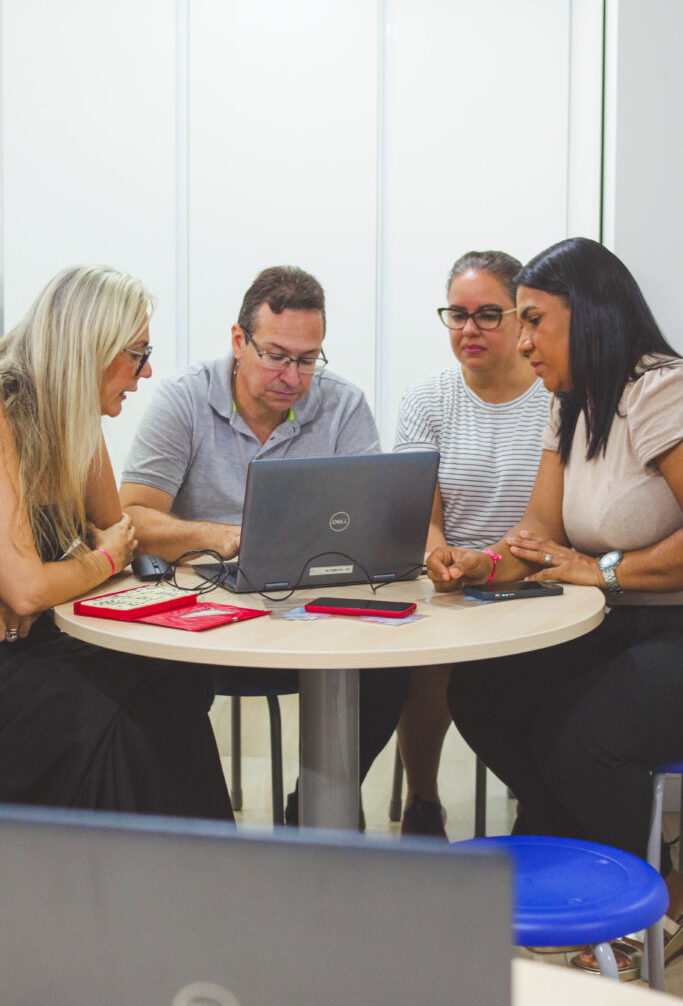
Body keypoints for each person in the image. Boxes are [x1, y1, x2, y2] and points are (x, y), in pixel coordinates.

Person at [428, 237, 683, 976]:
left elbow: (589, 563)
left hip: (673, 622)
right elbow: (539, 534)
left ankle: (656, 900)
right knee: (482, 692)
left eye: (534, 321)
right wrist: (481, 563)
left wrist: (604, 570)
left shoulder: (659, 390)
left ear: (591, 314)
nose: (523, 342)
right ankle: (574, 851)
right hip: (618, 620)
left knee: (581, 738)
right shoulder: (569, 401)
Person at [120, 265, 410, 821]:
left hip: (314, 613)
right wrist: (222, 537)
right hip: (210, 621)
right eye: (277, 356)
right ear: (239, 341)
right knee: (159, 681)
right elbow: (132, 516)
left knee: (389, 672)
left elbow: (373, 522)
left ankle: (312, 812)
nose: (293, 376)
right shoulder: (185, 399)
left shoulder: (343, 405)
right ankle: (207, 834)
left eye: (307, 360)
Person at [0, 265, 232, 820]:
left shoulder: (71, 416)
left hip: (39, 639)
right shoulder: (5, 412)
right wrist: (100, 558)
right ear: (89, 348)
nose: (146, 370)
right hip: (13, 660)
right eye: (136, 353)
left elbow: (119, 531)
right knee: (129, 716)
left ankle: (191, 866)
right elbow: (31, 588)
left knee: (174, 680)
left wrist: (95, 559)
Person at [393, 251, 549, 836]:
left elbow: (550, 520)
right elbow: (420, 513)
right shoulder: (427, 398)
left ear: (520, 318)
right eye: (457, 315)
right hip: (450, 579)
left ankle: (538, 799)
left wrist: (493, 561)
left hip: (534, 575)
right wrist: (439, 555)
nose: (468, 330)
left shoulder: (555, 395)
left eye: (487, 314)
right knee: (424, 654)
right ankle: (423, 802)